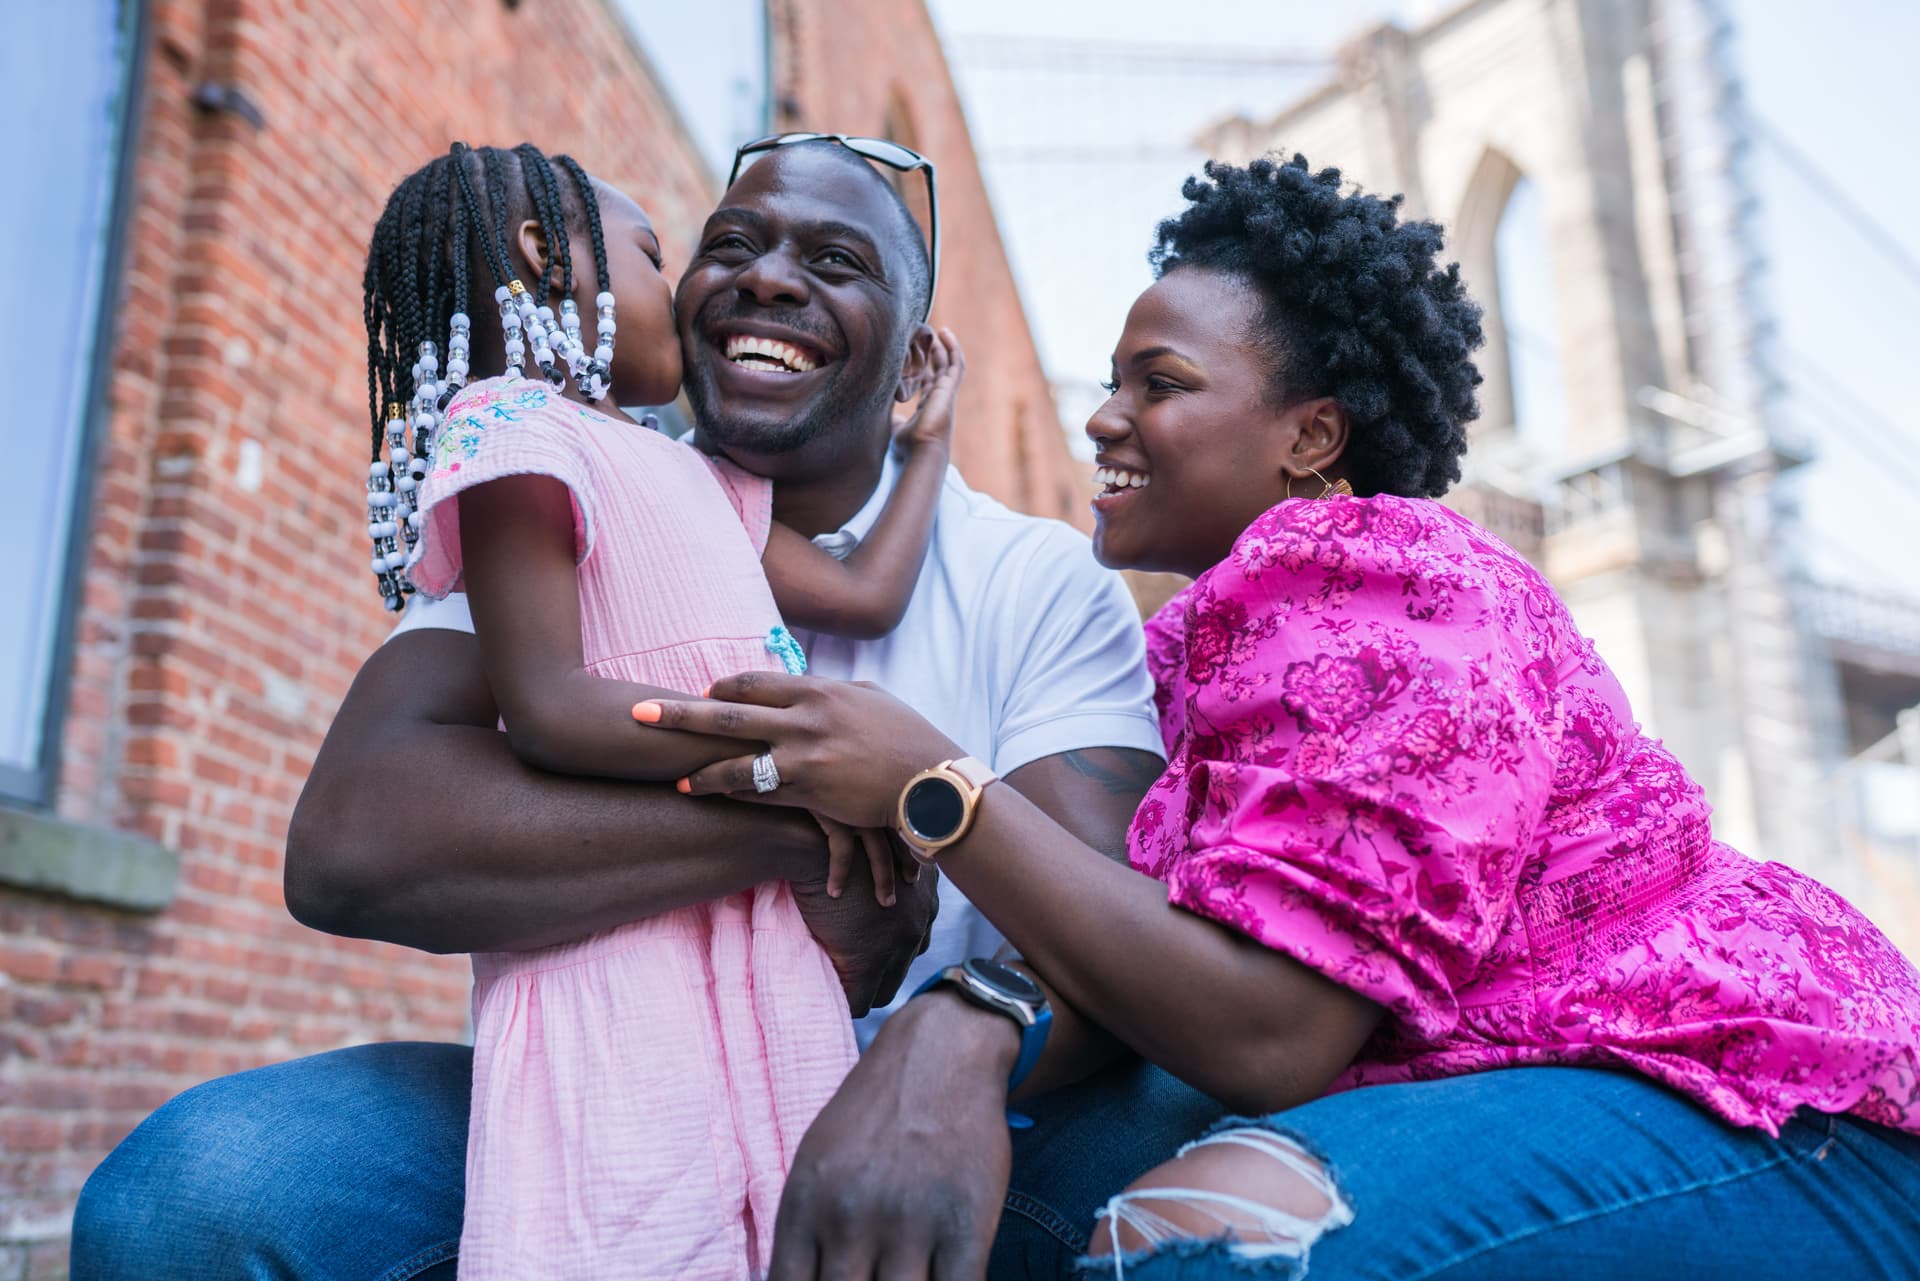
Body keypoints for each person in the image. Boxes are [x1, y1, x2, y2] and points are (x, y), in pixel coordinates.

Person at [635, 154, 1920, 1280]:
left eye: (1162, 381)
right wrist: (949, 1019)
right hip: (1537, 1083)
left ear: (1311, 435)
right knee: (1011, 1212)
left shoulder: (1400, 585)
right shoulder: (1217, 636)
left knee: (1203, 1238)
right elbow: (1143, 948)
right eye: (1113, 378)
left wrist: (935, 790)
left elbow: (1273, 1028)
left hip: (1761, 1098)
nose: (1103, 415)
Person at [69, 135, 1169, 1281]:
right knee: (193, 1193)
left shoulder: (1033, 578)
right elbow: (351, 844)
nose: (768, 279)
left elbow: (1109, 927)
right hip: (619, 1084)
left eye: (837, 260)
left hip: (923, 1106)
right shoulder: (572, 481)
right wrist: (796, 831)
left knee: (1189, 1118)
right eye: (725, 247)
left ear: (910, 364)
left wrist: (959, 1033)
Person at [358, 141, 969, 1279]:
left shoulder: (698, 476)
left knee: (782, 1207)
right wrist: (789, 766)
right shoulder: (512, 435)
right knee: (625, 1221)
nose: (673, 285)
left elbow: (866, 594)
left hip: (768, 938)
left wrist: (923, 443)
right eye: (654, 254)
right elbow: (547, 707)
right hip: (614, 946)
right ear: (549, 260)